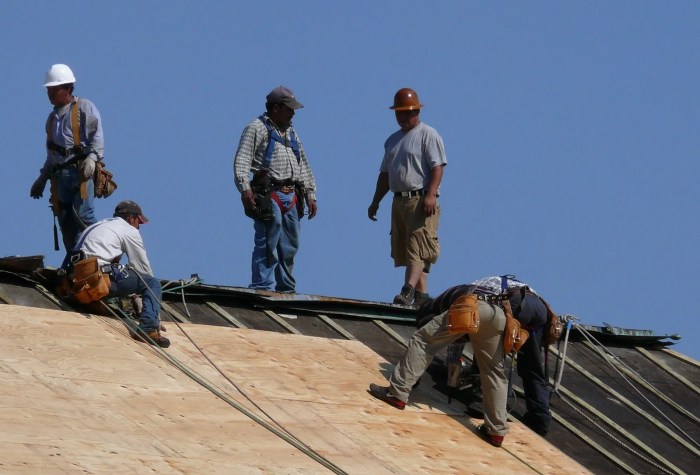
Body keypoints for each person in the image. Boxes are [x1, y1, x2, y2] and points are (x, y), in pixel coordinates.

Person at [368, 283, 509, 447]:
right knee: (493, 371)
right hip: (499, 314)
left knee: (422, 341)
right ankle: (496, 431)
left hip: (475, 304)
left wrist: (451, 366)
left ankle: (397, 393)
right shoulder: (465, 289)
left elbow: (453, 335)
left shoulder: (439, 303)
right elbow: (459, 336)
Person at [439, 276, 553, 437]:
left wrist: (452, 364)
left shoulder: (462, 296)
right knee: (532, 367)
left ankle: (481, 403)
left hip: (515, 304)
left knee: (488, 342)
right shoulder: (480, 285)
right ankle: (540, 419)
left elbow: (459, 329)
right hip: (538, 310)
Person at [233, 86, 317, 292]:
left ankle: (286, 288)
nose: (293, 113)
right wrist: (245, 190)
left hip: (292, 194)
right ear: (276, 108)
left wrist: (310, 194)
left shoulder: (291, 132)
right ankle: (262, 286)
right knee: (268, 240)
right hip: (268, 192)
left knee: (290, 245)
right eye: (289, 108)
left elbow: (303, 164)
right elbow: (242, 160)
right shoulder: (256, 128)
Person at [368, 88, 447, 306]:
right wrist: (376, 201)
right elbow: (385, 174)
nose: (402, 117)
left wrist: (431, 194)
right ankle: (422, 298)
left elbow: (438, 166)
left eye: (406, 113)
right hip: (399, 199)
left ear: (416, 111)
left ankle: (407, 291)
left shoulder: (428, 134)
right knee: (406, 250)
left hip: (419, 198)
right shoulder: (392, 140)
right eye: (399, 113)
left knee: (417, 246)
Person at [71, 200, 169, 348]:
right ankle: (148, 329)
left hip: (75, 280)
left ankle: (97, 300)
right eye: (139, 222)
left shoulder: (99, 225)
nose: (139, 227)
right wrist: (156, 315)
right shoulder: (128, 230)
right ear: (131, 218)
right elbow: (142, 269)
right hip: (97, 279)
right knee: (152, 283)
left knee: (118, 272)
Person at [30, 64, 105, 255]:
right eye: (49, 90)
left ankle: (98, 255)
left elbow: (97, 137)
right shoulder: (52, 119)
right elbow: (52, 154)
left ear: (68, 88)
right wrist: (42, 178)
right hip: (60, 175)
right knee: (65, 219)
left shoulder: (83, 108)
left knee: (83, 216)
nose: (50, 94)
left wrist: (92, 159)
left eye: (54, 89)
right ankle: (75, 261)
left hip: (79, 171)